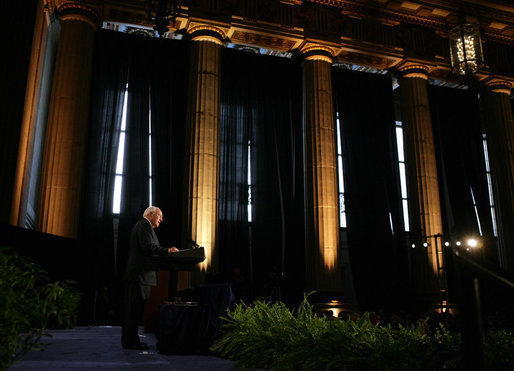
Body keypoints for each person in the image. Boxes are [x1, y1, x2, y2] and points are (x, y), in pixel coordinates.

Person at [121, 206, 178, 350]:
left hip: (142, 276)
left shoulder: (146, 227)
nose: (161, 220)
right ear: (151, 214)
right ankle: (130, 342)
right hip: (139, 276)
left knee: (136, 311)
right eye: (159, 216)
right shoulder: (143, 225)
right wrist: (167, 250)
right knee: (133, 311)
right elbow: (148, 247)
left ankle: (132, 340)